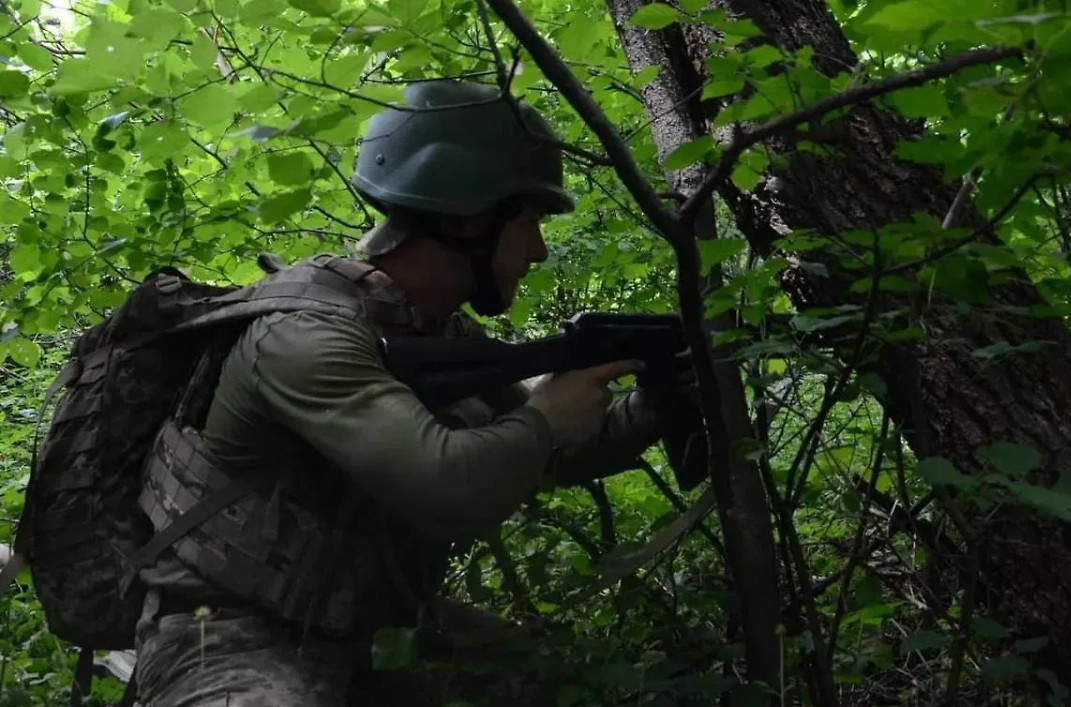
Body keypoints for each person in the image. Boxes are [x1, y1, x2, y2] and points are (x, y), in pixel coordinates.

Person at [130, 79, 695, 706]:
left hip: (368, 627)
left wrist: (650, 405)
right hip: (225, 630)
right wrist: (543, 418)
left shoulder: (431, 330)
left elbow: (556, 454)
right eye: (530, 222)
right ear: (467, 220)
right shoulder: (304, 338)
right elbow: (451, 487)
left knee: (559, 690)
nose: (537, 251)